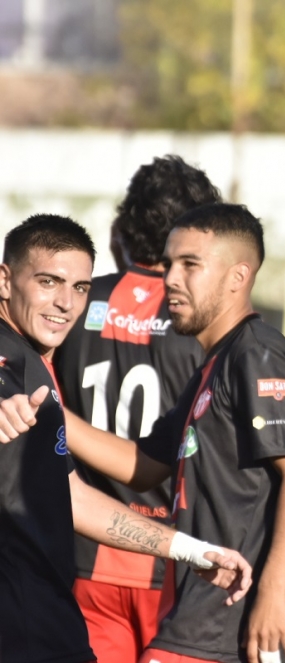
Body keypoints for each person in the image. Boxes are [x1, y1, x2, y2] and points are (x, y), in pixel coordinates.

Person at [0, 214, 251, 663]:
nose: (64, 303)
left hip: (43, 619)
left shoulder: (35, 361)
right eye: (48, 281)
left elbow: (71, 497)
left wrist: (190, 549)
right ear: (5, 281)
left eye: (79, 287)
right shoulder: (12, 362)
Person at [53, 155, 221, 662]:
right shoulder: (201, 318)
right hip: (176, 557)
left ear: (124, 226)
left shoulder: (74, 302)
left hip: (83, 554)